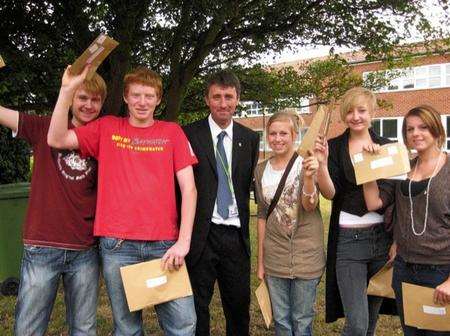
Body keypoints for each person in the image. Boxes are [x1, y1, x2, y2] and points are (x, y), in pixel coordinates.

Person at [47, 65, 198, 336]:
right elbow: (56, 138)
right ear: (126, 98)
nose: (142, 102)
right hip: (118, 246)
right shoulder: (106, 128)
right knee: (127, 328)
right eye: (136, 95)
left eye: (149, 96)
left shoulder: (172, 132)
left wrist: (183, 242)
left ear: (158, 99)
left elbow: (189, 189)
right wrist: (66, 90)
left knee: (184, 324)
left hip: (164, 246)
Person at [0, 72, 106, 335]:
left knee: (83, 327)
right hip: (42, 246)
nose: (88, 105)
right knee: (29, 328)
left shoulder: (105, 137)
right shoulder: (43, 126)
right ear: (70, 98)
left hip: (85, 247)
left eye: (95, 100)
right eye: (82, 97)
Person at [314, 87, 396, 335]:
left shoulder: (386, 147)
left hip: (381, 240)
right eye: (350, 111)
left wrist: (369, 164)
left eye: (362, 110)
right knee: (357, 325)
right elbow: (330, 193)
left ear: (372, 112)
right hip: (349, 242)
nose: (356, 116)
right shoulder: (334, 147)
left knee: (370, 324)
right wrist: (321, 164)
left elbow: (386, 198)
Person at [183, 70, 259, 336]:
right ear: (207, 99)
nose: (223, 103)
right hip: (201, 235)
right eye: (217, 97)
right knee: (197, 307)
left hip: (235, 237)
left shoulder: (250, 139)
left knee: (238, 307)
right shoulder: (189, 134)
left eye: (229, 97)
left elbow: (248, 182)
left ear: (238, 99)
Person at [362, 105, 450, 336]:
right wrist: (367, 166)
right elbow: (373, 202)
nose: (416, 133)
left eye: (423, 127)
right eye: (410, 129)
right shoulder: (403, 169)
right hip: (404, 269)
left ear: (437, 130)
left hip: (441, 271)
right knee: (411, 332)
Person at [253, 110, 325, 335]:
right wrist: (261, 263)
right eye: (272, 133)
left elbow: (310, 205)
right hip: (275, 257)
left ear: (294, 135)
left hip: (306, 256)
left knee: (302, 321)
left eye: (283, 133)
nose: (277, 138)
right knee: (282, 321)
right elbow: (263, 215)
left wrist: (310, 178)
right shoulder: (260, 169)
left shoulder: (307, 163)